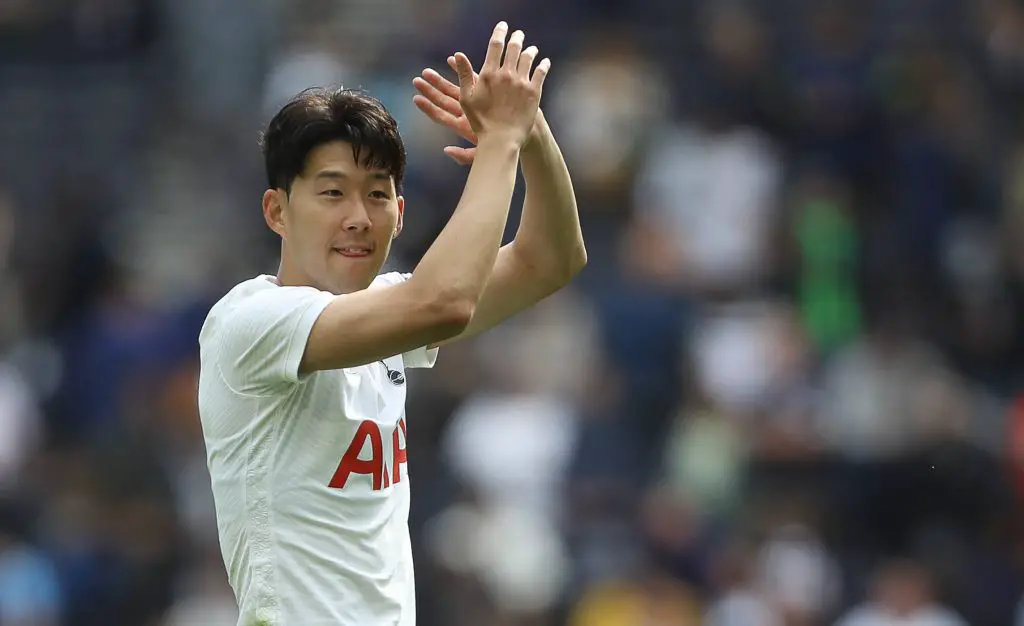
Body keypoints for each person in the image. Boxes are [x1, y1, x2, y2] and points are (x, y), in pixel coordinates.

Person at [197, 21, 585, 626]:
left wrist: (528, 128)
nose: (358, 217)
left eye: (377, 195)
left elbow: (550, 259)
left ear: (400, 214)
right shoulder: (250, 323)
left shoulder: (388, 313)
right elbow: (444, 302)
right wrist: (502, 145)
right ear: (277, 210)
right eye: (332, 193)